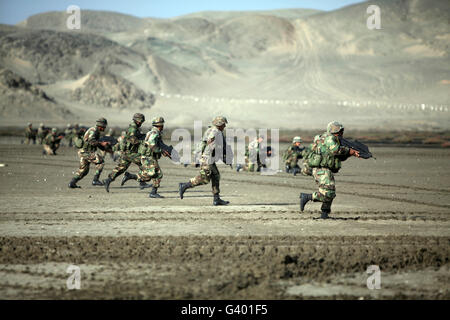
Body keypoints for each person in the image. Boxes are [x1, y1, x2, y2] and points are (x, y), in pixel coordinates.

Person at [299, 121, 360, 219]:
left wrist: (350, 153)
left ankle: (324, 214)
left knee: (330, 191)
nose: (341, 133)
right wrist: (349, 151)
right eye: (340, 131)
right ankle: (307, 197)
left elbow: (339, 156)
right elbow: (335, 150)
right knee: (329, 193)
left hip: (324, 169)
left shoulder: (327, 139)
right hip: (321, 170)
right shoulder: (329, 138)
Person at [179, 116, 230, 205]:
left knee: (216, 176)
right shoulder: (215, 132)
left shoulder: (214, 131)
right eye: (223, 124)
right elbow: (212, 145)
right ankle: (184, 186)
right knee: (204, 179)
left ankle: (216, 198)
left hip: (209, 158)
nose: (225, 126)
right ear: (219, 124)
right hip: (207, 158)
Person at [121, 117, 171, 198]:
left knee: (149, 176)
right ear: (160, 125)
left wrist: (163, 151)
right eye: (162, 125)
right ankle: (153, 192)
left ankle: (130, 176)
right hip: (148, 157)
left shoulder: (153, 132)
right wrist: (160, 151)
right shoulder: (154, 133)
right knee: (158, 174)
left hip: (149, 157)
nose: (163, 127)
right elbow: (151, 144)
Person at [103, 113, 148, 192]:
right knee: (144, 163)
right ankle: (142, 181)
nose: (141, 123)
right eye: (141, 121)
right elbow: (132, 140)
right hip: (131, 152)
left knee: (121, 168)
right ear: (138, 120)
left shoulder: (134, 127)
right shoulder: (133, 128)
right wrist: (143, 142)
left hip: (126, 152)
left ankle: (108, 180)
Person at [68, 118, 109, 188]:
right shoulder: (94, 130)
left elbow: (96, 143)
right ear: (100, 126)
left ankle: (72, 183)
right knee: (101, 161)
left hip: (84, 152)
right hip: (86, 152)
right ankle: (95, 180)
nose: (104, 128)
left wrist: (104, 147)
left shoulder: (96, 131)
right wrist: (101, 143)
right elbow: (91, 141)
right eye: (104, 127)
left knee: (84, 171)